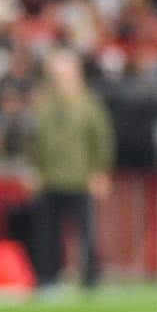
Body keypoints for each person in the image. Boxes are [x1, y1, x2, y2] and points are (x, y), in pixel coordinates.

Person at [23, 48, 115, 288]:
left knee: (86, 233)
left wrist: (99, 171)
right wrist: (35, 169)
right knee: (47, 235)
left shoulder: (89, 105)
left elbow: (101, 140)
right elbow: (35, 142)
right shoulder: (44, 106)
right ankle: (47, 277)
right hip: (50, 178)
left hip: (79, 177)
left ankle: (90, 278)